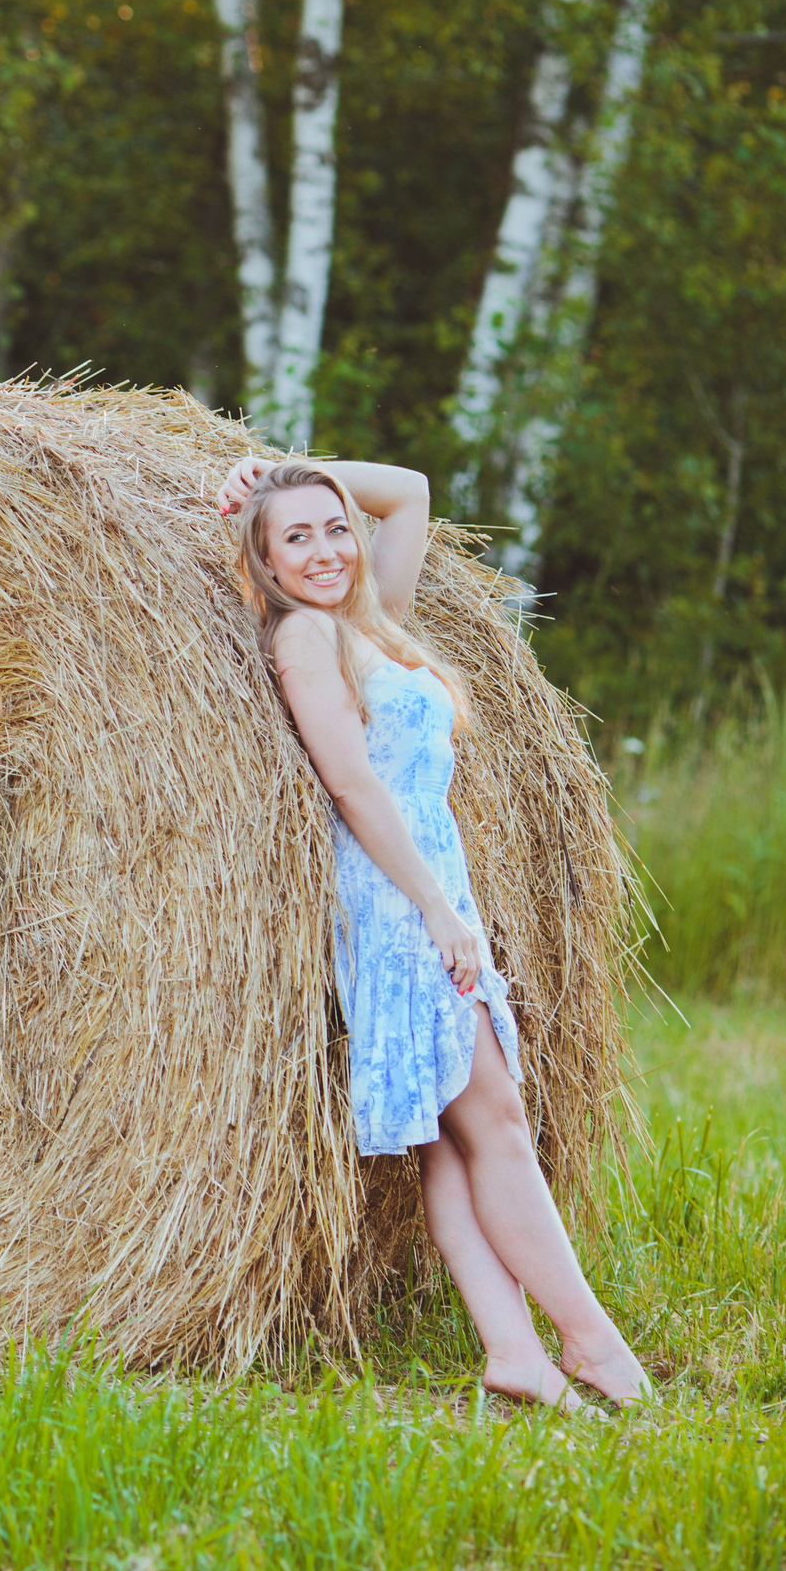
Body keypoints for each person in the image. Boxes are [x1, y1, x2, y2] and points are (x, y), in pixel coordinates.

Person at [221, 452, 651, 1411]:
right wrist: (439, 911)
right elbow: (351, 786)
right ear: (267, 563)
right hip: (394, 899)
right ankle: (594, 1343)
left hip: (418, 890)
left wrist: (283, 473)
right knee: (495, 1119)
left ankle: (516, 1352)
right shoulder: (304, 640)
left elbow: (408, 491)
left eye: (335, 526)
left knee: (455, 1145)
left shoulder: (368, 625)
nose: (329, 547)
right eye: (298, 537)